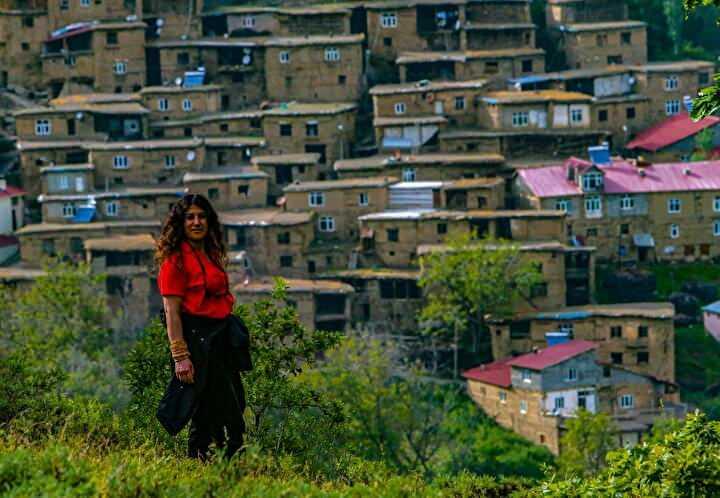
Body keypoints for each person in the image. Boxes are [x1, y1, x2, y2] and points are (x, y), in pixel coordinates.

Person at [155, 193, 246, 460]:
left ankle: (213, 463)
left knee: (229, 400)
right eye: (190, 217)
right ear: (181, 223)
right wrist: (180, 357)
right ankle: (209, 459)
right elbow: (171, 311)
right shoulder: (175, 262)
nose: (197, 222)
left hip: (221, 338)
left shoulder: (211, 253)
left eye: (202, 216)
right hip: (197, 339)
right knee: (216, 406)